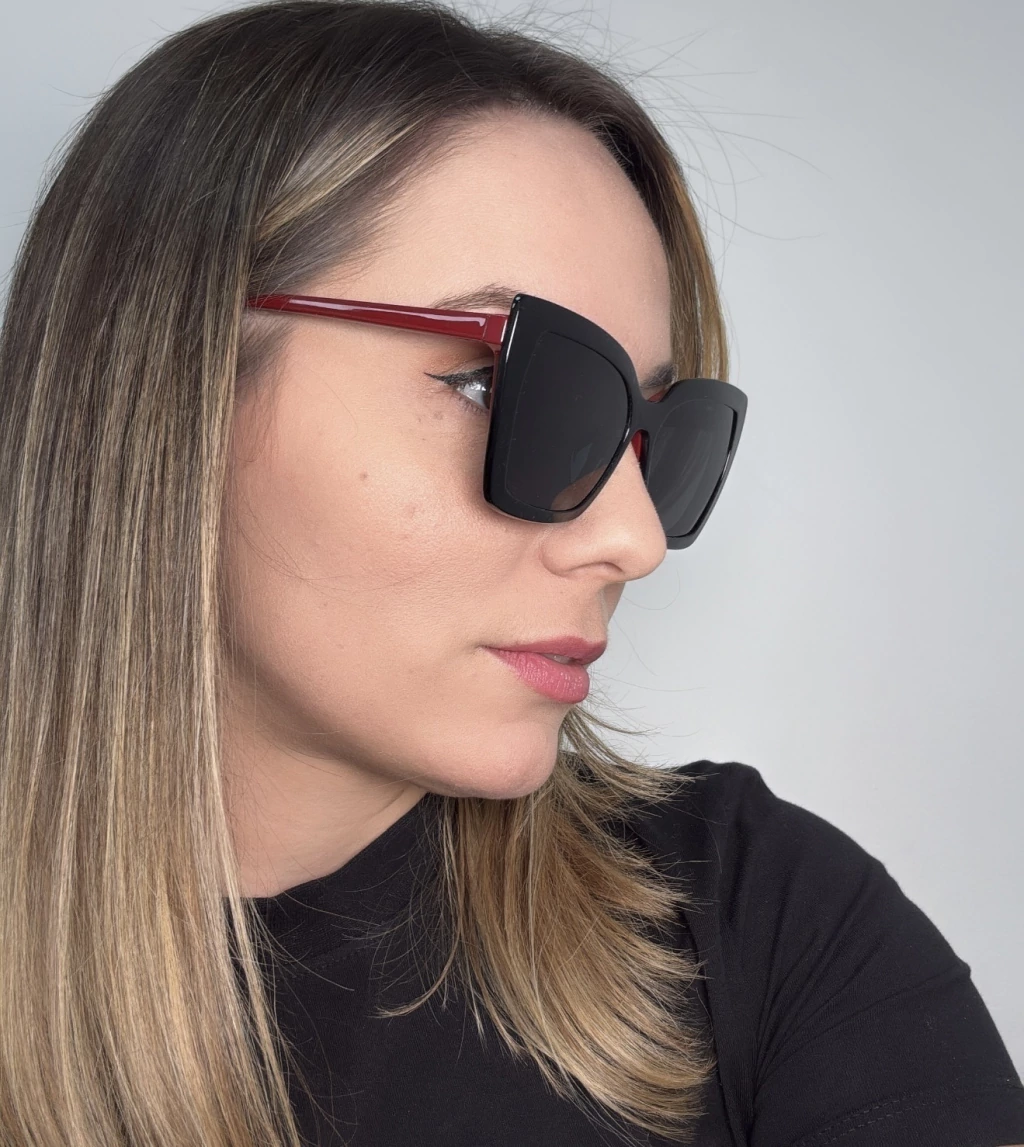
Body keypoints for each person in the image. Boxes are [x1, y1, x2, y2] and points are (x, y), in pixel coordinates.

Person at [0, 2, 1020, 1145]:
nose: (632, 538)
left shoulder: (757, 925)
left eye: (651, 431)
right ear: (161, 384)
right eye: (494, 385)